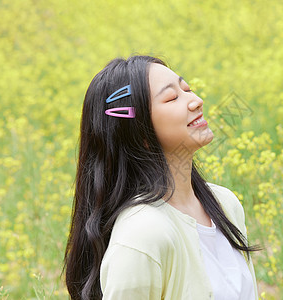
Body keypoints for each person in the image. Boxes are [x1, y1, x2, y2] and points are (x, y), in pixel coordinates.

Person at [64, 55, 259, 300]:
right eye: (172, 97)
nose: (196, 101)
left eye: (187, 89)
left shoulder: (225, 204)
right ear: (140, 134)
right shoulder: (142, 233)